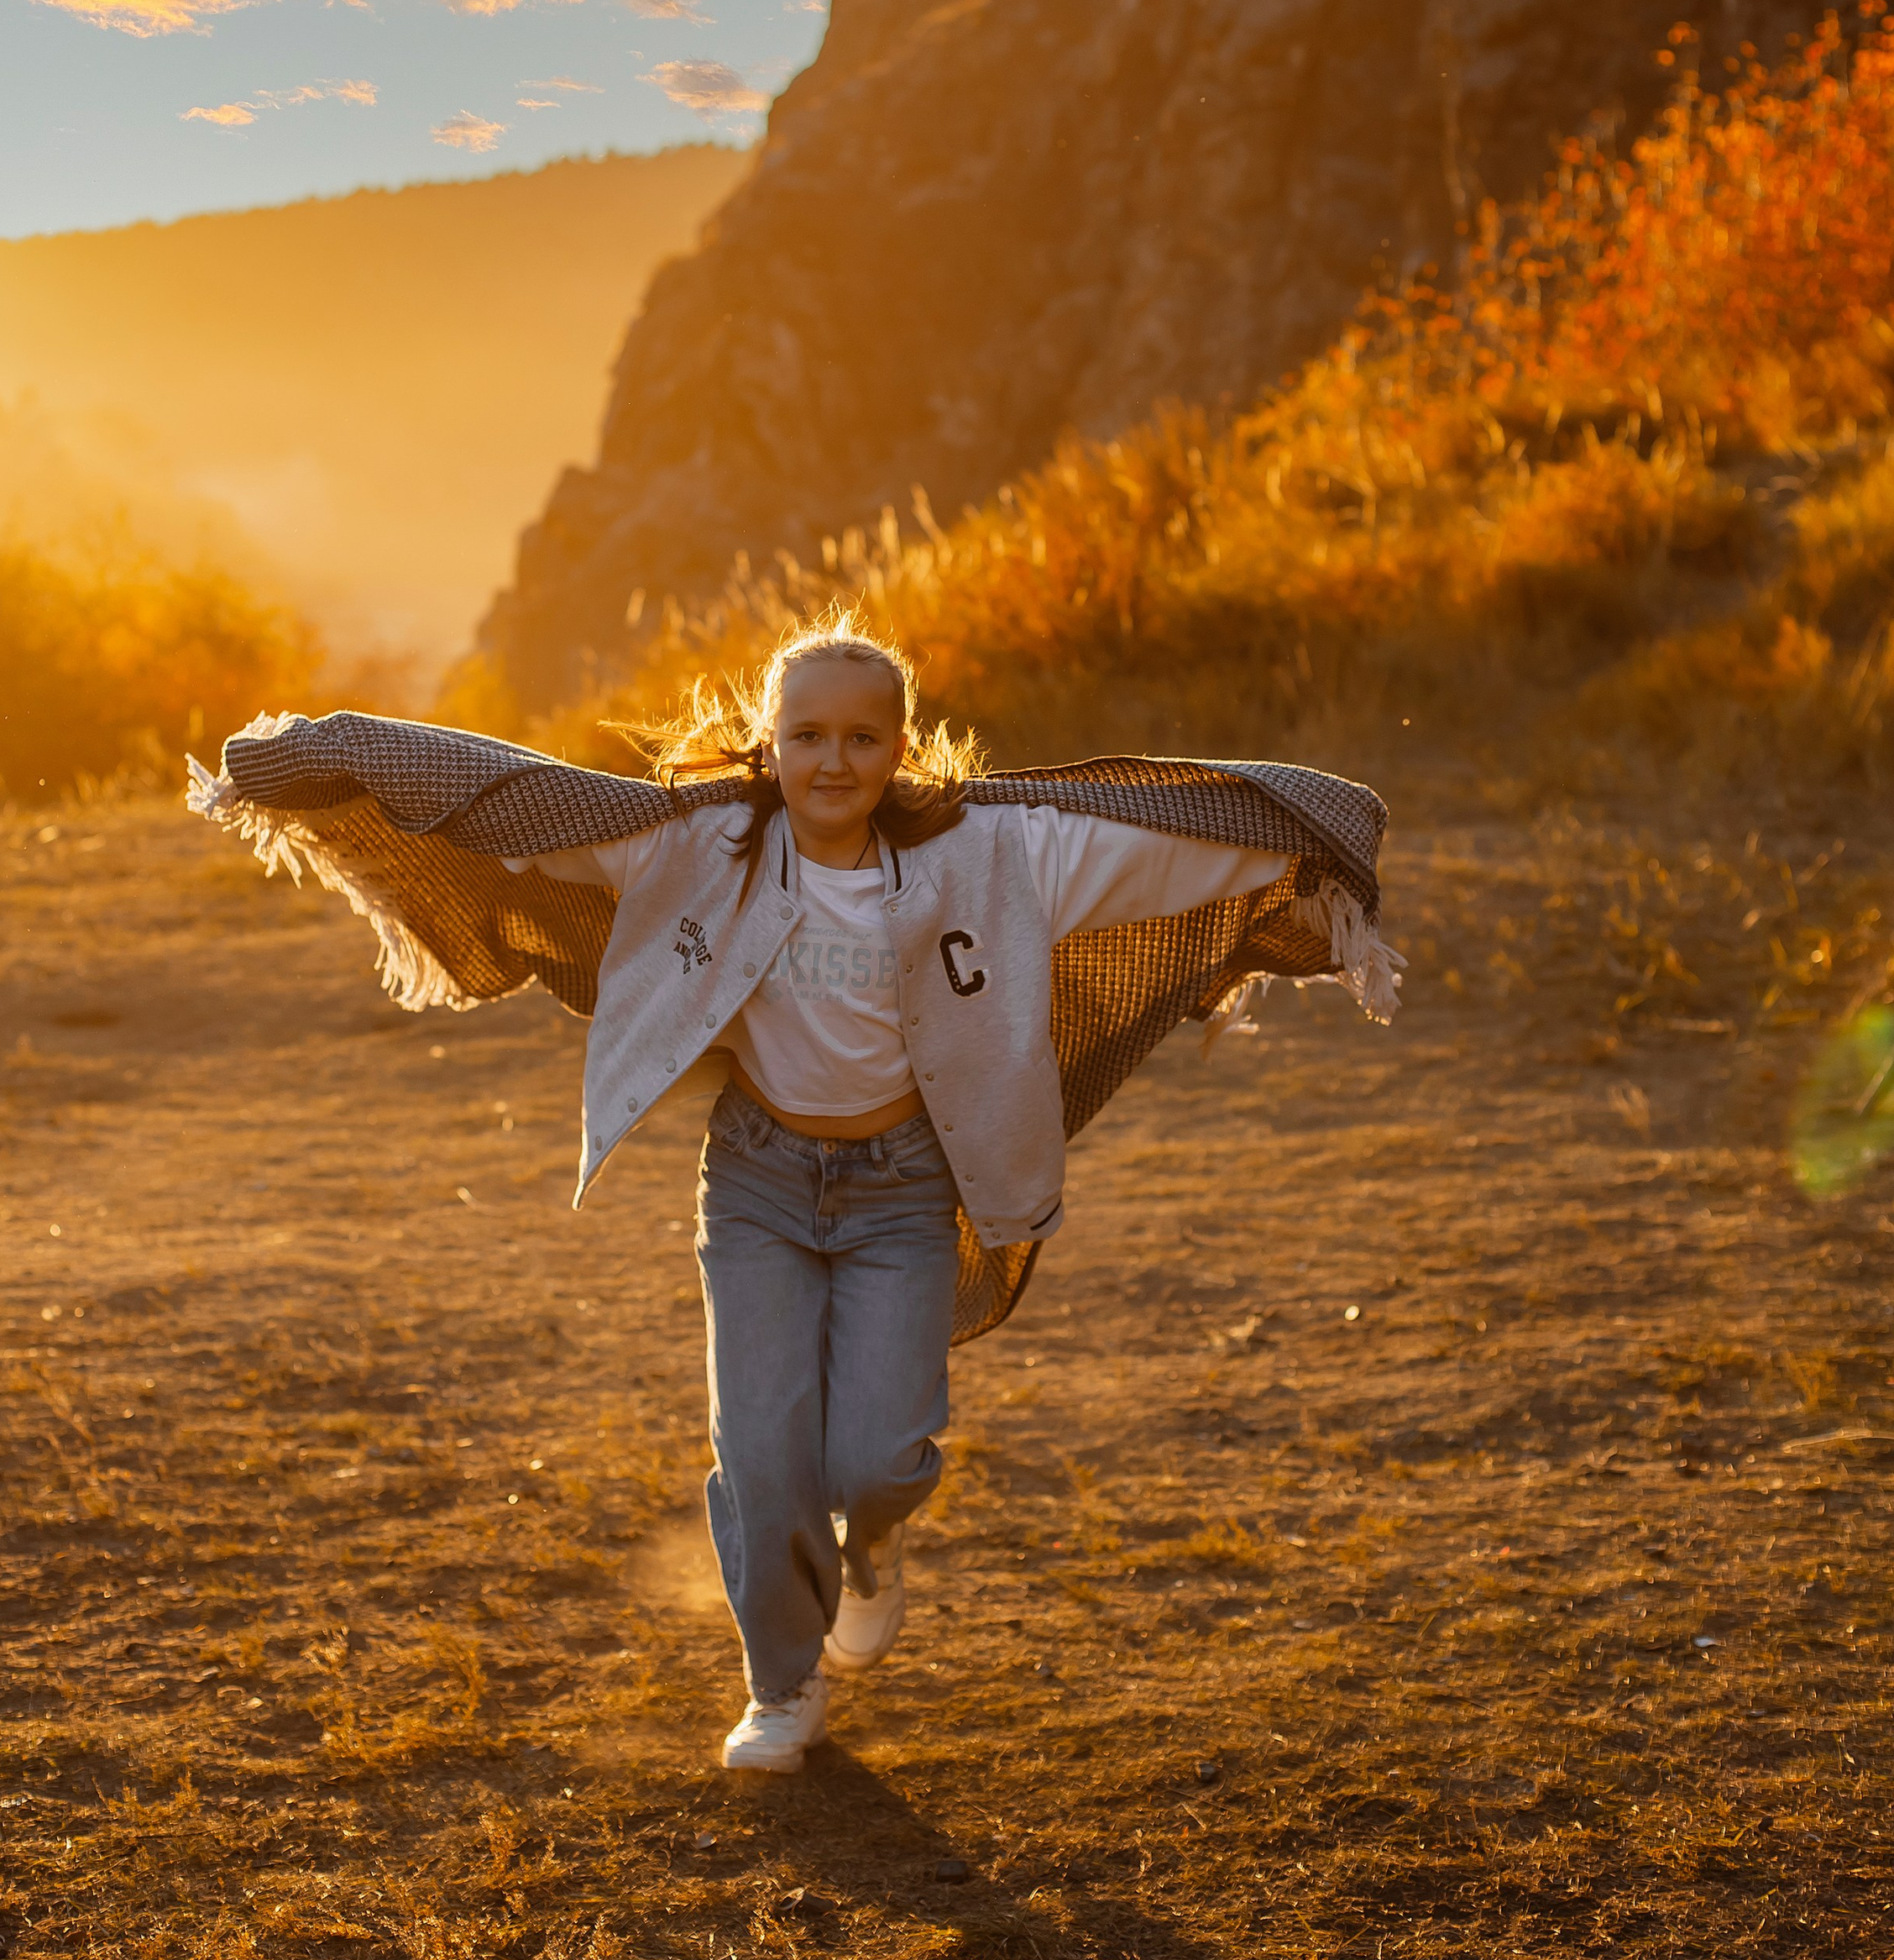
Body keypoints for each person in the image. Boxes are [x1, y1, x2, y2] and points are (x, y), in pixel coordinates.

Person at [190, 610, 1400, 1776]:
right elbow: (521, 800)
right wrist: (330, 753)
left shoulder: (995, 853)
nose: (833, 761)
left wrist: (1318, 829)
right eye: (807, 735)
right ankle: (782, 1688)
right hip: (759, 1185)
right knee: (763, 1451)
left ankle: (869, 1550)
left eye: (862, 737)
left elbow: (1162, 838)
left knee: (877, 1460)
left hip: (903, 1196)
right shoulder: (698, 844)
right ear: (768, 743)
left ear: (899, 748)